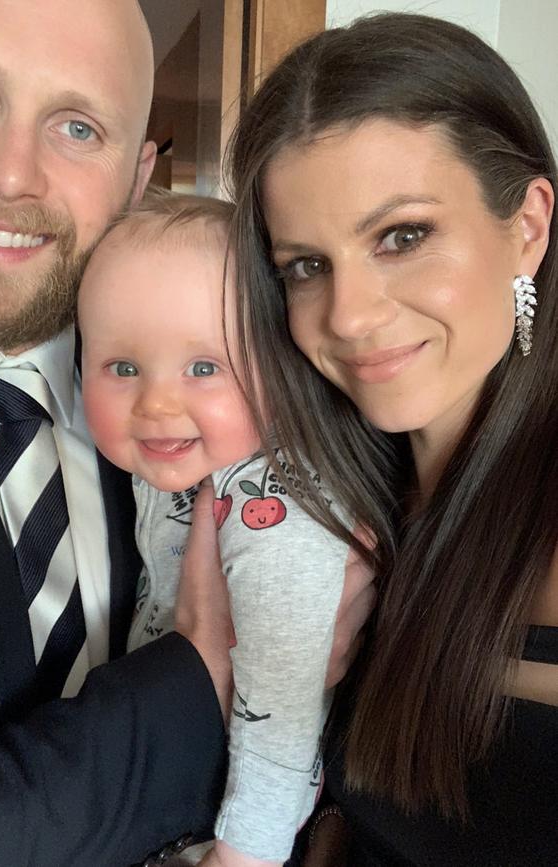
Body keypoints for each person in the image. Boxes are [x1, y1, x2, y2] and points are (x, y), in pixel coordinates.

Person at [226, 12, 558, 866]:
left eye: (402, 237)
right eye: (306, 265)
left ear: (528, 225)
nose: (348, 315)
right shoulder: (325, 500)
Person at [0, 2, 231, 864]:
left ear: (137, 179)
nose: (13, 174)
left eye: (78, 126)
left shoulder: (203, 402)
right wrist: (197, 688)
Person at [78, 191, 374, 867]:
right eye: (122, 368)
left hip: (241, 821)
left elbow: (283, 716)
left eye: (204, 367)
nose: (155, 402)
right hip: (178, 782)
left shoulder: (270, 500)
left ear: (274, 369)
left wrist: (243, 856)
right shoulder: (188, 455)